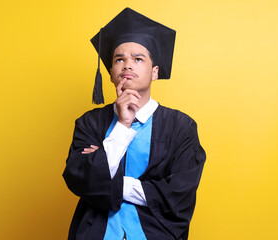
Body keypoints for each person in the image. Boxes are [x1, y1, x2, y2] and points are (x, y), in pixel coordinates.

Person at [63, 8, 206, 240]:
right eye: (119, 59)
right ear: (110, 73)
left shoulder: (181, 127)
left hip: (155, 233)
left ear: (154, 72)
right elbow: (78, 178)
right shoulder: (90, 123)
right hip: (95, 232)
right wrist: (122, 124)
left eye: (138, 59)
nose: (127, 65)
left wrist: (111, 180)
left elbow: (179, 192)